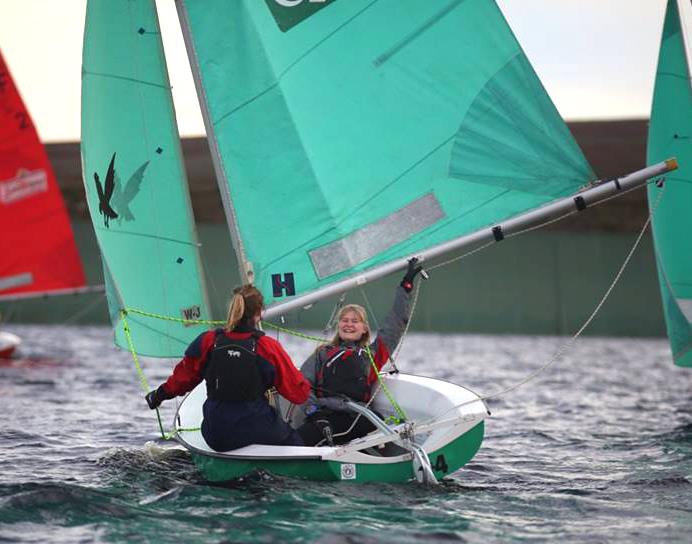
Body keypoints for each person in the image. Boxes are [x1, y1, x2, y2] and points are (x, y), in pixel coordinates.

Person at [144, 285, 311, 451]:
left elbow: (182, 379)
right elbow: (299, 394)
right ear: (259, 312)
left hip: (216, 434)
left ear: (232, 308)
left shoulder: (208, 341)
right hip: (256, 428)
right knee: (296, 442)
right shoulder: (267, 347)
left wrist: (158, 395)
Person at [297, 258, 423, 446]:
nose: (348, 324)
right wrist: (314, 412)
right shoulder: (322, 353)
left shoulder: (372, 355)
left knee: (373, 426)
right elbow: (301, 384)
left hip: (358, 417)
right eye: (344, 320)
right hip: (324, 416)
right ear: (338, 325)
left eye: (354, 321)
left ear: (364, 328)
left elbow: (394, 325)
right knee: (297, 440)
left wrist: (405, 287)